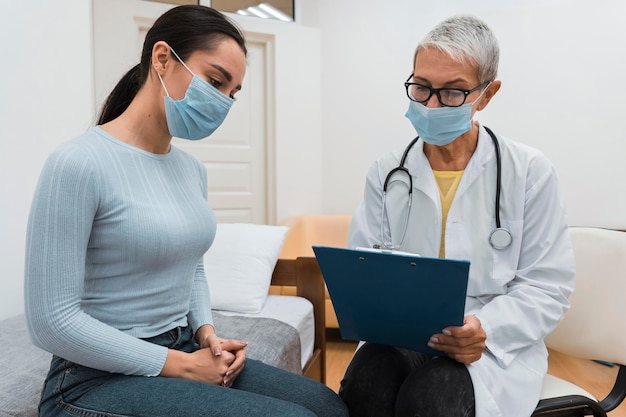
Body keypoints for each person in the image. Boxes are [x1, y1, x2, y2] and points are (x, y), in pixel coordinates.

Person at [24, 5, 348, 417]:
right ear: (162, 59)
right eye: (215, 81)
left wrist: (206, 333)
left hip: (181, 345)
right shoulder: (78, 163)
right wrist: (180, 366)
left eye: (232, 92)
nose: (223, 102)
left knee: (327, 405)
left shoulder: (190, 170)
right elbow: (52, 321)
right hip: (91, 378)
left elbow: (190, 266)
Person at [339, 15, 575, 417]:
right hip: (403, 334)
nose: (431, 104)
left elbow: (547, 286)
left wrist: (488, 330)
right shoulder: (387, 171)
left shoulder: (529, 172)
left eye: (452, 93)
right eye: (421, 87)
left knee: (433, 397)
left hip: (493, 346)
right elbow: (366, 266)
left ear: (487, 94)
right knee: (366, 383)